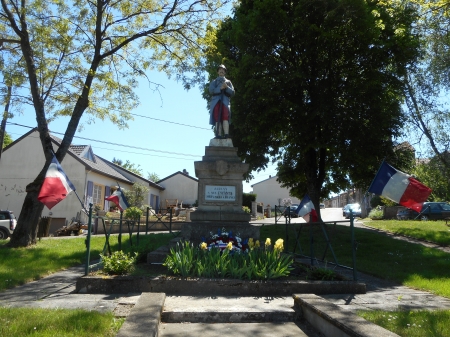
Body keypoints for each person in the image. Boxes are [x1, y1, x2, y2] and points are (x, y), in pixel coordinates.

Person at [209, 64, 235, 139]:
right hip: (216, 101)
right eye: (220, 70)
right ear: (218, 72)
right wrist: (220, 88)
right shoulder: (214, 81)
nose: (221, 71)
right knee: (217, 117)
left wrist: (226, 88)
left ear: (225, 72)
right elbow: (211, 90)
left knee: (225, 117)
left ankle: (226, 134)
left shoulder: (228, 82)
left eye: (223, 70)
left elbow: (233, 92)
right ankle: (218, 134)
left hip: (225, 101)